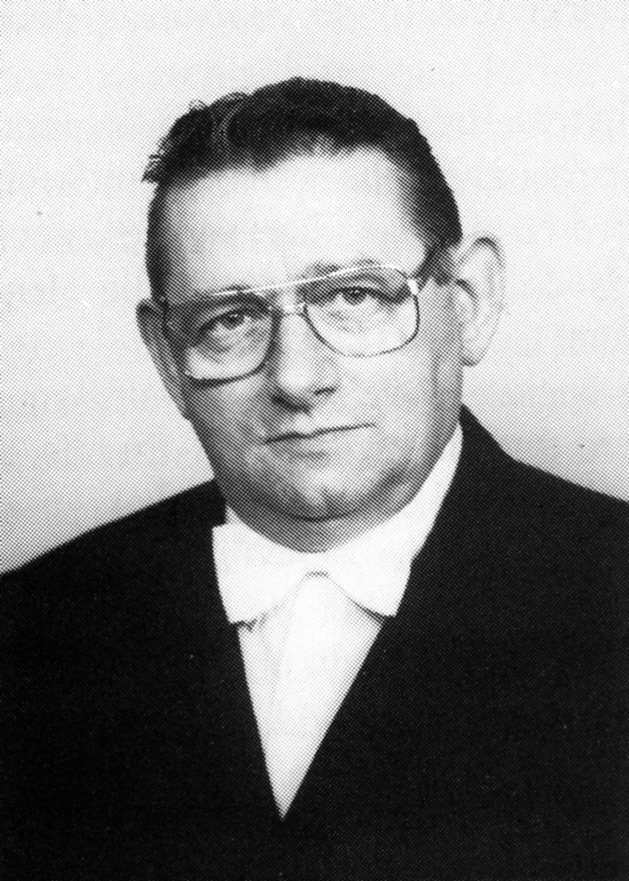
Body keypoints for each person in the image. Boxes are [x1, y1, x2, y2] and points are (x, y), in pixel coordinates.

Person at [3, 78, 627, 881]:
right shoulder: (29, 634)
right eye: (230, 319)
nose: (297, 378)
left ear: (469, 301)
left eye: (353, 295)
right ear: (165, 357)